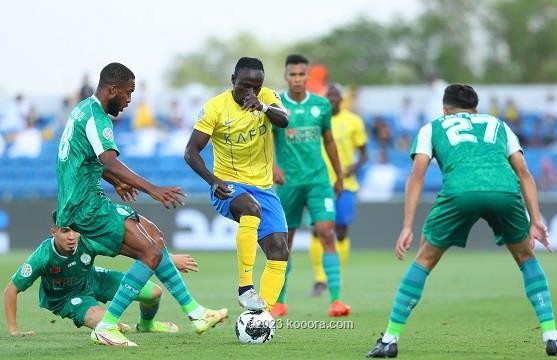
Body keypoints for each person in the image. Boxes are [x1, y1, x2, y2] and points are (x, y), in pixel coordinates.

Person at [367, 84, 557, 358]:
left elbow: (416, 176)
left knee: (425, 259)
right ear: (477, 108)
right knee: (526, 258)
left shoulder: (433, 127)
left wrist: (407, 226)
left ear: (444, 109)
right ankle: (552, 337)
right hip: (504, 190)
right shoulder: (498, 125)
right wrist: (536, 219)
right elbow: (524, 172)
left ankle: (390, 340)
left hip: (460, 192)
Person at [56, 62, 227, 347]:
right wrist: (153, 189)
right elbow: (108, 159)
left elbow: (88, 160)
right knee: (149, 252)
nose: (129, 100)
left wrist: (115, 181)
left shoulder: (83, 109)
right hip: (85, 206)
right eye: (127, 92)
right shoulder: (97, 117)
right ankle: (107, 326)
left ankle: (196, 313)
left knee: (156, 239)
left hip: (88, 198)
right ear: (112, 89)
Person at [184, 57, 290, 312]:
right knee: (250, 209)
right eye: (245, 85)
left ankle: (262, 316)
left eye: (257, 85)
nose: (251, 91)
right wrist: (213, 181)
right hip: (228, 186)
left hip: (264, 188)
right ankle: (245, 287)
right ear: (233, 81)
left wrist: (262, 107)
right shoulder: (215, 108)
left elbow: (285, 120)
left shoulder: (268, 97)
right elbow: (191, 152)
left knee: (279, 250)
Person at [4, 211, 199, 336]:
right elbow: (11, 290)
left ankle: (146, 324)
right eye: (65, 231)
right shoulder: (42, 257)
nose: (72, 236)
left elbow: (136, 247)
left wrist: (170, 258)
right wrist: (14, 330)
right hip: (67, 298)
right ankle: (109, 324)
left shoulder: (88, 241)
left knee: (154, 294)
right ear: (53, 231)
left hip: (94, 278)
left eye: (75, 231)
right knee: (112, 325)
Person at [271, 54, 351, 318]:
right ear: (286, 77)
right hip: (288, 184)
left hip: (318, 181)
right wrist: (272, 166)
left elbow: (329, 141)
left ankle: (336, 300)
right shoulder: (275, 104)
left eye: (301, 74)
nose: (297, 79)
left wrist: (338, 175)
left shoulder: (321, 105)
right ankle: (279, 302)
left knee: (327, 232)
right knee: (284, 243)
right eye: (292, 74)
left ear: (308, 76)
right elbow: (264, 140)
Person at [308, 84, 368, 297]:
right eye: (329, 96)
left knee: (341, 231)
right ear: (325, 99)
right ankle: (320, 278)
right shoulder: (315, 119)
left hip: (345, 185)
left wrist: (354, 167)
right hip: (319, 183)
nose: (332, 99)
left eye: (336, 96)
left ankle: (336, 274)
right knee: (318, 230)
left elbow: (364, 155)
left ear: (341, 99)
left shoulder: (354, 121)